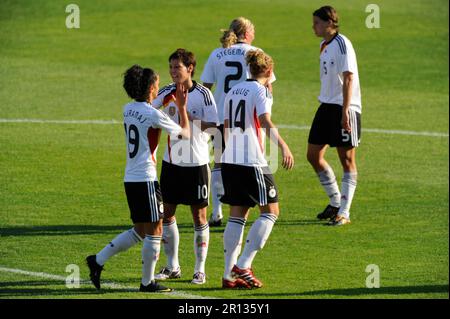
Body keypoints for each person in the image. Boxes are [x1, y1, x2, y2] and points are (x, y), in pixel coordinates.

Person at [86, 65, 190, 293]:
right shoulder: (153, 114)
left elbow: (148, 111)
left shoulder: (128, 108)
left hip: (131, 178)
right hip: (146, 179)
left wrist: (161, 101)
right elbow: (185, 133)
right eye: (157, 84)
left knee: (140, 231)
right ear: (152, 87)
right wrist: (181, 107)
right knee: (156, 230)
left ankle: (97, 260)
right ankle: (147, 282)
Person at [220, 50, 294, 289]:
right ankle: (243, 265)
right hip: (251, 159)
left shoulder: (233, 91)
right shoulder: (261, 91)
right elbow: (265, 120)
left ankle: (228, 276)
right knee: (271, 211)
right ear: (269, 72)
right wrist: (283, 146)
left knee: (237, 213)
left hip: (230, 157)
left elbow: (227, 125)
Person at [201, 17, 276, 227]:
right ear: (247, 33)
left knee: (219, 162)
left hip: (221, 115)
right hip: (247, 118)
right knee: (250, 161)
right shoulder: (256, 52)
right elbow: (268, 86)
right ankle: (247, 203)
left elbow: (205, 87)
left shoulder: (217, 53)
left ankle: (216, 213)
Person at [152, 49, 219, 285]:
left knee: (199, 216)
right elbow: (149, 108)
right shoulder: (167, 93)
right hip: (171, 163)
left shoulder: (204, 95)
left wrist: (189, 116)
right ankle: (172, 266)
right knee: (166, 214)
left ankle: (200, 269)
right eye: (170, 67)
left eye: (177, 67)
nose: (172, 72)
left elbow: (216, 129)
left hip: (197, 164)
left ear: (190, 68)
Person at [307, 6, 362, 226]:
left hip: (344, 107)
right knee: (313, 155)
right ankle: (335, 201)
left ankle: (344, 213)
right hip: (326, 106)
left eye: (317, 23)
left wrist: (345, 111)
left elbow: (349, 78)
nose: (313, 27)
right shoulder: (323, 45)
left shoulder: (342, 44)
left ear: (329, 23)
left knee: (347, 160)